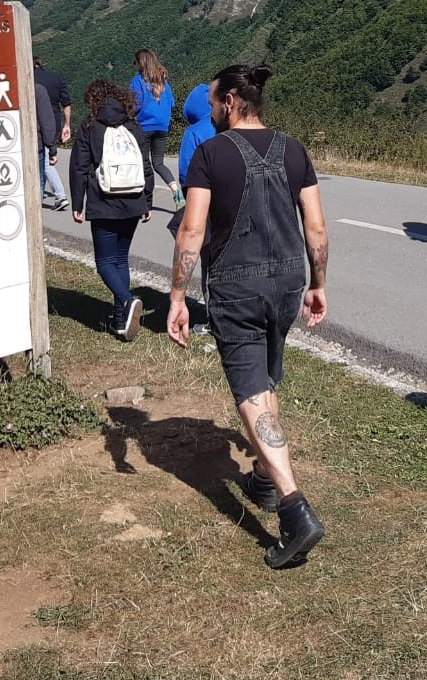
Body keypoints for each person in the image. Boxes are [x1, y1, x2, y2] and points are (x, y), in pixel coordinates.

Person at [169, 64, 330, 569]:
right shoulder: (295, 149)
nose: (212, 111)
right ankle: (263, 477)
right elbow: (317, 227)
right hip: (286, 285)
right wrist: (319, 283)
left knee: (250, 392)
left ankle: (293, 507)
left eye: (215, 102)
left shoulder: (209, 154)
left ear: (233, 101)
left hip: (238, 287)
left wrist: (177, 295)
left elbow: (191, 232)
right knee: (265, 379)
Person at [68, 79, 155, 340]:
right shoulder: (133, 125)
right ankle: (120, 322)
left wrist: (77, 202)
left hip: (103, 201)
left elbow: (79, 167)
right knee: (120, 260)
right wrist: (147, 200)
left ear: (94, 101)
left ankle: (128, 303)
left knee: (105, 262)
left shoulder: (89, 127)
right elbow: (145, 164)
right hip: (133, 201)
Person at [174, 81, 219, 335]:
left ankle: (214, 320)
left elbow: (184, 175)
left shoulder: (193, 133)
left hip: (205, 211)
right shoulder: (228, 127)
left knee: (209, 264)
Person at [130, 48, 181, 210]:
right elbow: (172, 103)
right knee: (158, 163)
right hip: (162, 127)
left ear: (141, 63)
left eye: (135, 62)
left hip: (144, 127)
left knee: (144, 164)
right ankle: (176, 190)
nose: (134, 65)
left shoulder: (137, 82)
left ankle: (145, 202)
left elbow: (134, 105)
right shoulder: (163, 82)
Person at [34, 57, 71, 211]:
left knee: (44, 163)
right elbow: (66, 103)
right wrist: (67, 124)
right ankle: (57, 195)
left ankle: (58, 195)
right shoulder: (56, 78)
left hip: (37, 127)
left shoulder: (27, 79)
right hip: (54, 123)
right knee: (47, 160)